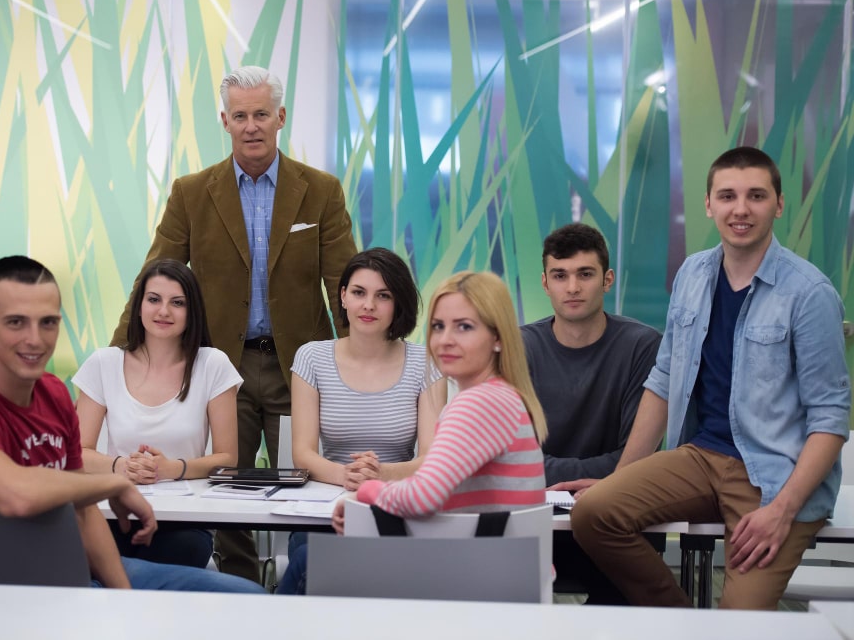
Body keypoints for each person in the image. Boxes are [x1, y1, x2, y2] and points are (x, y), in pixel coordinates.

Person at [568, 147, 850, 609]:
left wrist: (783, 512)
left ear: (778, 205)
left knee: (740, 624)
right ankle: (685, 622)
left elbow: (830, 419)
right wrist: (620, 477)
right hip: (700, 456)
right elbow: (663, 380)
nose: (741, 209)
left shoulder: (809, 293)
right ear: (708, 204)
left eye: (756, 195)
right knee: (595, 513)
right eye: (728, 196)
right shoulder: (693, 274)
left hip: (774, 475)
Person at [112, 65, 358, 582]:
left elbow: (345, 287)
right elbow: (154, 278)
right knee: (226, 485)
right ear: (225, 121)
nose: (251, 125)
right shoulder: (192, 192)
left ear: (281, 117)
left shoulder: (321, 191)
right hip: (224, 366)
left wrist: (359, 365)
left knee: (307, 478)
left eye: (261, 114)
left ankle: (302, 584)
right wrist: (121, 355)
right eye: (240, 115)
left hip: (301, 369)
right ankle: (242, 590)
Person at [0, 256, 264, 593]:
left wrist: (120, 596)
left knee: (250, 599)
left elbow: (84, 512)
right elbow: (17, 496)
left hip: (75, 565)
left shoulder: (51, 394)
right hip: (7, 591)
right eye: (15, 322)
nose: (35, 339)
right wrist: (114, 482)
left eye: (48, 322)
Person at [276, 248, 447, 594]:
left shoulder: (427, 362)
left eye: (382, 295)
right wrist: (347, 475)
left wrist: (380, 475)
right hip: (324, 509)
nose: (368, 305)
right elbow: (303, 454)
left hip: (398, 508)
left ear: (398, 303)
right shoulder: (311, 357)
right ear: (343, 297)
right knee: (310, 559)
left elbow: (432, 459)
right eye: (359, 293)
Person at [332, 271, 547, 533]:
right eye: (438, 326)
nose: (445, 340)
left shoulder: (479, 403)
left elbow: (423, 498)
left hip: (482, 570)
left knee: (305, 562)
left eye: (464, 327)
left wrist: (365, 492)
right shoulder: (501, 396)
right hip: (499, 567)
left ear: (498, 338)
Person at [521, 223, 660, 604]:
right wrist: (588, 478)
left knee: (625, 609)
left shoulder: (643, 347)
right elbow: (511, 457)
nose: (572, 287)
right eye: (560, 276)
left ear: (607, 279)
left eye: (585, 274)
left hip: (614, 518)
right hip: (533, 519)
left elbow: (640, 456)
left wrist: (555, 474)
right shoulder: (520, 347)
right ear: (545, 283)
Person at [74, 259, 239, 569]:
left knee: (176, 554)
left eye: (177, 303)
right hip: (115, 513)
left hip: (185, 523)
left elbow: (227, 458)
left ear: (192, 312)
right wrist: (121, 466)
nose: (164, 311)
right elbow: (77, 454)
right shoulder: (103, 363)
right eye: (154, 299)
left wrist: (169, 468)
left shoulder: (212, 364)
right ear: (138, 306)